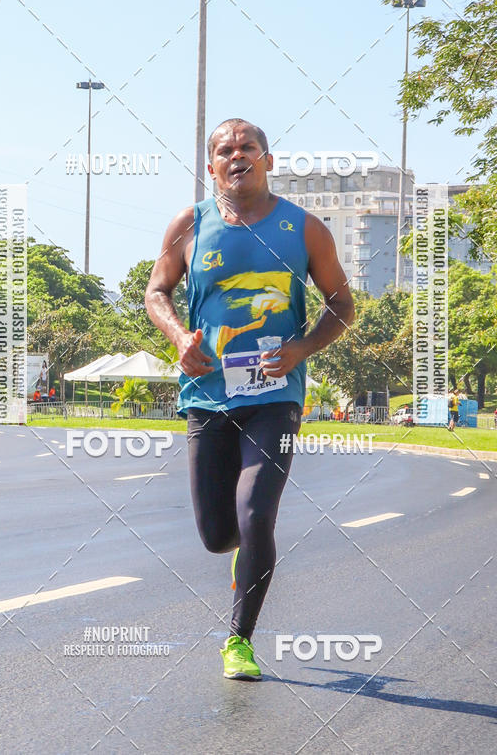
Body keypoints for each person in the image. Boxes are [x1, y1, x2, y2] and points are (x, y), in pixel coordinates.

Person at [145, 118, 354, 681]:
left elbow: (342, 304)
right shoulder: (190, 224)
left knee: (257, 513)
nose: (237, 156)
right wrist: (178, 339)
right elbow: (156, 290)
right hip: (207, 398)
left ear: (267, 159)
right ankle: (244, 547)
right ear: (211, 166)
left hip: (275, 398)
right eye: (224, 151)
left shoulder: (305, 228)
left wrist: (301, 349)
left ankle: (239, 641)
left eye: (247, 148)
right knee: (219, 535)